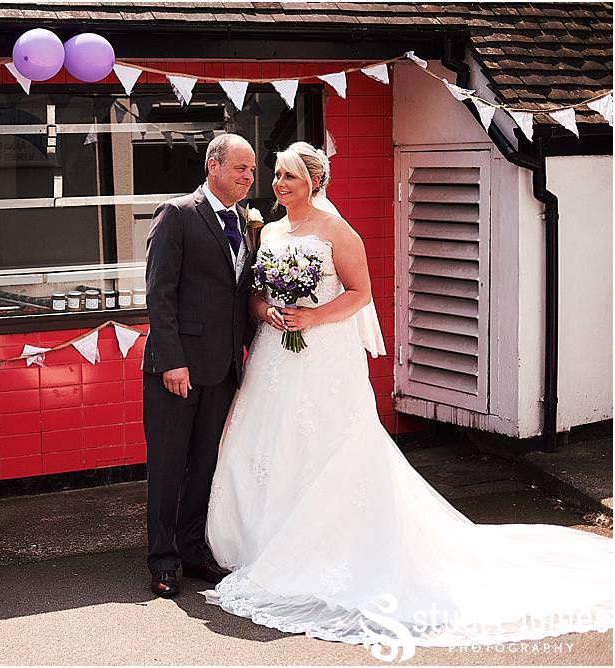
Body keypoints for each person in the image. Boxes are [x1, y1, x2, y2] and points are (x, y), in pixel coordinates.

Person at [203, 141, 613, 646]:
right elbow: (257, 293)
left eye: (289, 176)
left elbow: (360, 294)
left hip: (323, 356)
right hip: (275, 355)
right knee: (266, 444)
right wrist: (269, 312)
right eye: (277, 176)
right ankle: (257, 545)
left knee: (326, 447)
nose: (278, 184)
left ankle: (322, 548)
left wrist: (311, 316)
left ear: (314, 181)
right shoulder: (269, 231)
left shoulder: (338, 232)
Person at [143, 133, 258, 598]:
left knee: (205, 466)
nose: (249, 177)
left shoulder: (248, 223)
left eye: (252, 170)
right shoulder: (177, 214)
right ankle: (163, 560)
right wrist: (173, 361)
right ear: (213, 165)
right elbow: (159, 293)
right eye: (240, 169)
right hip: (178, 369)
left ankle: (192, 550)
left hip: (224, 366)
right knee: (169, 468)